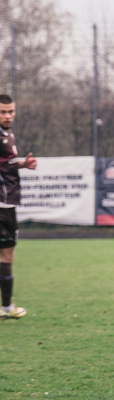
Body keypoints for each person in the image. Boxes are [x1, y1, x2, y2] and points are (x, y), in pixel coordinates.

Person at [0, 94, 37, 320]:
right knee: (7, 254)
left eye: (10, 111)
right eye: (3, 112)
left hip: (6, 201)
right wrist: (19, 163)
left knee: (6, 253)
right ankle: (6, 308)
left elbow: (6, 163)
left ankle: (6, 306)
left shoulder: (7, 135)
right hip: (3, 203)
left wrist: (21, 163)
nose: (7, 116)